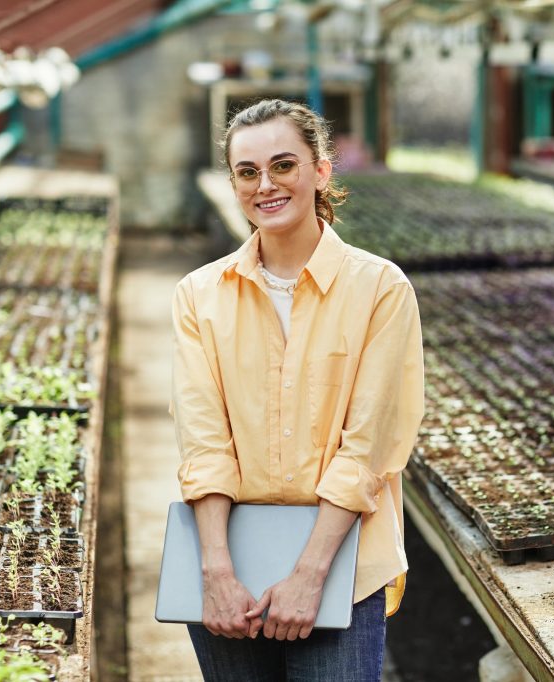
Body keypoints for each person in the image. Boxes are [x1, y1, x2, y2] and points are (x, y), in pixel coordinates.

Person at [169, 98, 425, 681]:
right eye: (248, 171)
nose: (266, 185)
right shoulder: (199, 295)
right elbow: (204, 443)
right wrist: (216, 572)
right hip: (228, 568)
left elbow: (369, 448)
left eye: (284, 165)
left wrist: (311, 574)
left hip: (342, 565)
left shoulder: (380, 289)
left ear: (322, 170)